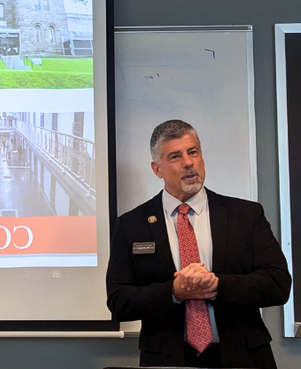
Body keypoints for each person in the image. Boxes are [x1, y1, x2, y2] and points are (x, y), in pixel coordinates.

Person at [106, 120, 291, 369]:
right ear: (157, 169)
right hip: (167, 359)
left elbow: (278, 284)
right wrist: (174, 291)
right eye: (175, 156)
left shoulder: (245, 215)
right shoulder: (131, 225)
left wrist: (217, 286)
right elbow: (119, 301)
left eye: (193, 152)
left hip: (244, 357)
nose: (188, 162)